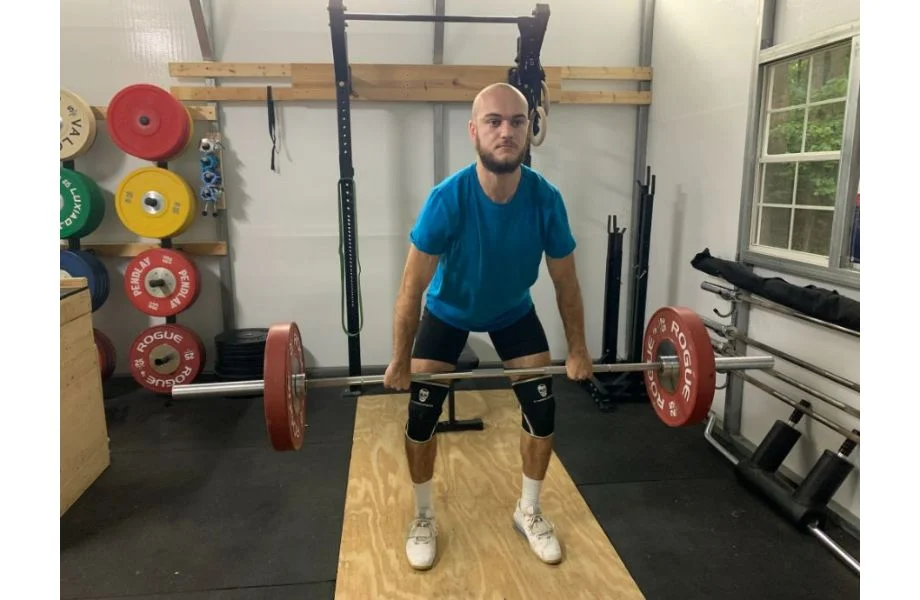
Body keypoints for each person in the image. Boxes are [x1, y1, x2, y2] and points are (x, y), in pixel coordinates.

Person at [383, 82, 592, 571]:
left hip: (512, 311)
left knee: (542, 412)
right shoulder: (447, 199)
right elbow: (412, 288)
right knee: (420, 416)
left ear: (528, 131)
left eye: (517, 122)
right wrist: (399, 359)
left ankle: (530, 510)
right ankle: (423, 516)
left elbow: (567, 285)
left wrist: (578, 350)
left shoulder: (546, 199)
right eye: (494, 122)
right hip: (448, 311)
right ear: (473, 131)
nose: (506, 131)